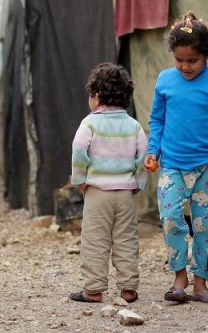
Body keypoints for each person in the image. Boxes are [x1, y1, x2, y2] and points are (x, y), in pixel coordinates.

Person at [144, 13, 208, 306]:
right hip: (172, 166)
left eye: (192, 61)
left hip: (206, 169)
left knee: (203, 225)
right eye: (179, 60)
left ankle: (201, 283)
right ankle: (179, 278)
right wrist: (153, 151)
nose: (185, 66)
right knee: (171, 218)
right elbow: (158, 121)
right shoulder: (165, 81)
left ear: (207, 55)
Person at [68, 63, 148, 304]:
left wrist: (80, 180)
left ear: (96, 97)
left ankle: (93, 289)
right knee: (126, 239)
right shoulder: (133, 125)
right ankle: (128, 288)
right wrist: (138, 184)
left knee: (95, 240)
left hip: (97, 192)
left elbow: (79, 151)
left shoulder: (89, 123)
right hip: (125, 193)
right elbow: (143, 156)